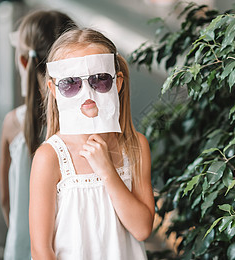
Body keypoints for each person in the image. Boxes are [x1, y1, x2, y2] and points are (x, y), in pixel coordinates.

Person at [29, 28, 155, 259]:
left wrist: (107, 170)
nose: (87, 92)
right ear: (54, 90)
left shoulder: (135, 146)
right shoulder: (50, 157)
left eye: (99, 79)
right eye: (70, 83)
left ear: (117, 82)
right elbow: (40, 249)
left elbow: (142, 229)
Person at [0, 10, 77, 260]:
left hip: (22, 249)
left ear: (24, 62)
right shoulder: (82, 127)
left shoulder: (13, 124)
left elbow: (5, 200)